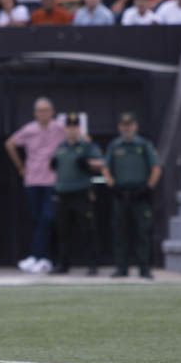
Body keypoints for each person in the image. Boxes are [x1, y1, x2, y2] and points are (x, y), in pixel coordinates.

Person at [6, 97, 67, 274]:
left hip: (52, 181)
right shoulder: (29, 129)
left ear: (52, 111)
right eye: (40, 110)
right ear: (35, 113)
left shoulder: (60, 127)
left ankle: (39, 256)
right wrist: (20, 167)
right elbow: (10, 144)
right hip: (32, 180)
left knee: (47, 219)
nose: (43, 114)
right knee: (37, 219)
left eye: (46, 110)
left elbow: (81, 135)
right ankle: (41, 257)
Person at [100, 112, 160, 279]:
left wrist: (148, 187)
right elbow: (105, 167)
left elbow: (156, 167)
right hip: (121, 194)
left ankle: (144, 268)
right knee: (120, 232)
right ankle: (121, 267)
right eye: (124, 125)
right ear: (120, 127)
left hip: (139, 194)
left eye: (130, 125)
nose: (127, 128)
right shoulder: (115, 146)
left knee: (142, 231)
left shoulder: (143, 145)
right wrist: (112, 185)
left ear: (135, 126)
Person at [51, 112, 102, 275]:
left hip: (81, 193)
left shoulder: (87, 146)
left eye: (75, 127)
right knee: (63, 231)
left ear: (79, 129)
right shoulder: (61, 147)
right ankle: (63, 264)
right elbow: (54, 166)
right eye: (69, 127)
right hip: (63, 193)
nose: (72, 130)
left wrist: (87, 163)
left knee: (87, 230)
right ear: (65, 129)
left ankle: (92, 264)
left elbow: (101, 163)